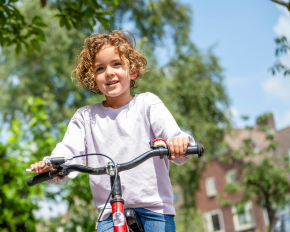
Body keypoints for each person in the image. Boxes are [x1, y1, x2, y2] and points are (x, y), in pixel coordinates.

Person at [29, 30, 194, 232]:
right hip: (109, 214)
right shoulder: (85, 117)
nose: (109, 72)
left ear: (132, 71)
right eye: (100, 68)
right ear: (93, 79)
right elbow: (68, 150)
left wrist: (178, 143)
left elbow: (172, 134)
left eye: (116, 64)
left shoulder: (148, 104)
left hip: (154, 210)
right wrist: (52, 165)